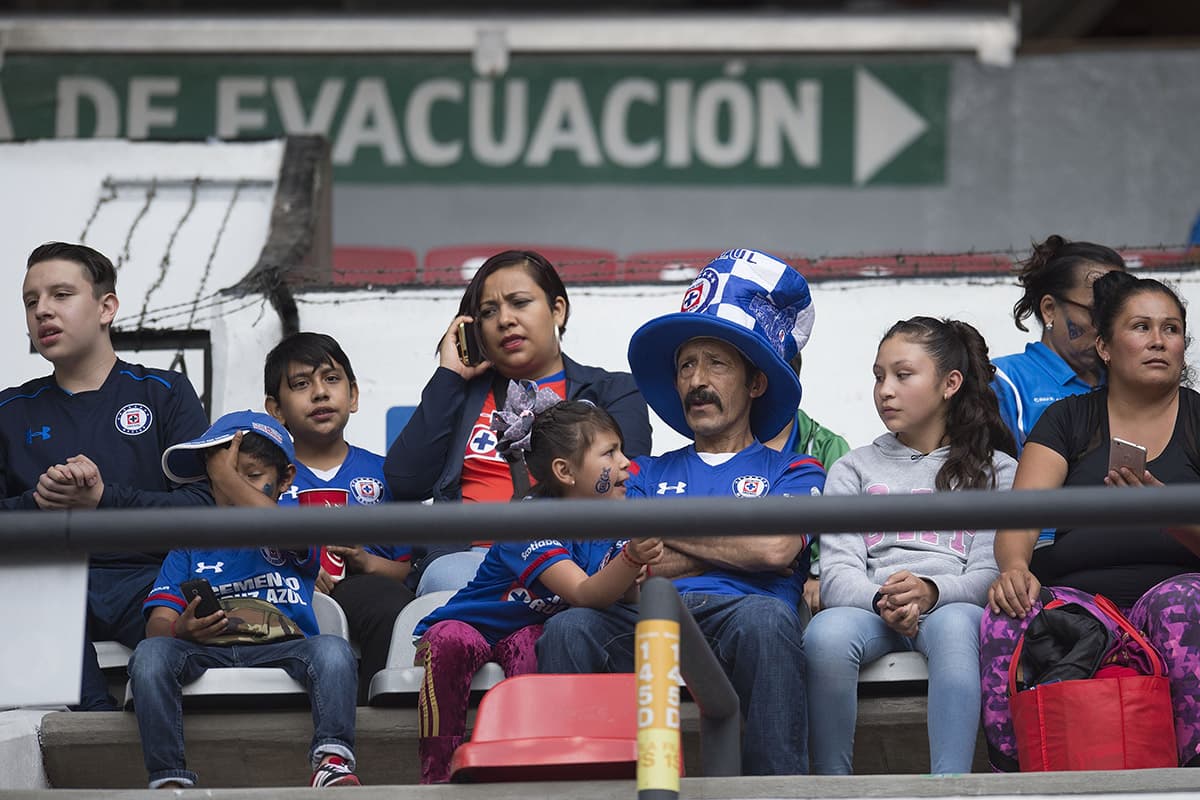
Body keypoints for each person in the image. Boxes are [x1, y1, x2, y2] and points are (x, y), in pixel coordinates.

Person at [537, 248, 826, 776]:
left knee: (766, 620)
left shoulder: (797, 468)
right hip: (649, 613)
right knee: (569, 628)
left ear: (755, 383)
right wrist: (736, 550)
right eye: (687, 366)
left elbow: (774, 549)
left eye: (716, 363)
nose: (697, 380)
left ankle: (775, 790)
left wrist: (664, 528)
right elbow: (626, 567)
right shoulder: (639, 471)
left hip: (746, 617)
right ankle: (583, 786)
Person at [982, 271, 1200, 770]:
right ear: (1104, 346)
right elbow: (1021, 517)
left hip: (1177, 591)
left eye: (1171, 329)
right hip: (1082, 600)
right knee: (1006, 612)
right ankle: (1017, 780)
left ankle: (1190, 777)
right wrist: (1014, 567)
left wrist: (1169, 514)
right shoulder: (1067, 419)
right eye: (1141, 327)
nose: (1158, 341)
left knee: (1182, 606)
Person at [0, 241, 212, 711]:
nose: (42, 311)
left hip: (150, 579)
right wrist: (37, 504)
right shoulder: (8, 410)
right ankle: (91, 730)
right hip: (43, 584)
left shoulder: (165, 391)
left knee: (204, 638)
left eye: (61, 295)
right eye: (31, 302)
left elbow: (203, 508)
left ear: (106, 307)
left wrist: (102, 499)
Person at [805, 317, 1017, 775]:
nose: (885, 390)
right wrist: (883, 600)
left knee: (957, 627)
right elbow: (837, 576)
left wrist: (930, 592)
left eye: (903, 375)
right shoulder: (852, 468)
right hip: (872, 608)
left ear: (950, 384)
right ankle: (831, 787)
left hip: (950, 606)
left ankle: (949, 787)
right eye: (879, 376)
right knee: (825, 635)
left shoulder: (997, 471)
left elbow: (990, 574)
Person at [413, 396, 662, 782]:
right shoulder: (529, 520)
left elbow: (616, 595)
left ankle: (521, 766)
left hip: (526, 631)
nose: (626, 462)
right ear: (565, 471)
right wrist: (631, 559)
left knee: (536, 644)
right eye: (610, 453)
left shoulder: (614, 520)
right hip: (470, 628)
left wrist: (633, 576)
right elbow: (584, 594)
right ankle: (438, 776)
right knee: (452, 641)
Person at [384, 250, 652, 596]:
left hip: (573, 560)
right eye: (488, 312)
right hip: (471, 564)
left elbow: (626, 482)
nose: (504, 320)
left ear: (558, 310)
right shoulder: (459, 395)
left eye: (520, 303)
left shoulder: (613, 391)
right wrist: (449, 376)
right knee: (446, 577)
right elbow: (405, 481)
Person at [128, 410, 360, 789]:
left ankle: (331, 762)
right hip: (205, 651)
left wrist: (225, 475)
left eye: (250, 476)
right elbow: (158, 624)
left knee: (334, 651)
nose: (230, 488)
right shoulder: (191, 541)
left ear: (285, 479)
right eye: (219, 479)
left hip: (286, 648)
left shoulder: (294, 523)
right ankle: (169, 780)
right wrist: (180, 629)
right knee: (150, 655)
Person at [262, 331, 413, 704]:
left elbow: (408, 573)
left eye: (331, 379)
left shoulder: (387, 474)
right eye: (301, 384)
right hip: (282, 597)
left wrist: (365, 562)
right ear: (276, 410)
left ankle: (370, 716)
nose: (320, 393)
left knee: (390, 603)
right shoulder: (262, 480)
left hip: (369, 596)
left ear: (354, 395)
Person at [991, 235, 1125, 456]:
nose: (1109, 326)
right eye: (1097, 311)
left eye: (1120, 314)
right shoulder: (1004, 381)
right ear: (1050, 309)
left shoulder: (1125, 380)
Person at [764, 351, 852, 617]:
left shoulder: (828, 446)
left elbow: (844, 528)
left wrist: (819, 575)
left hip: (803, 585)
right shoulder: (725, 444)